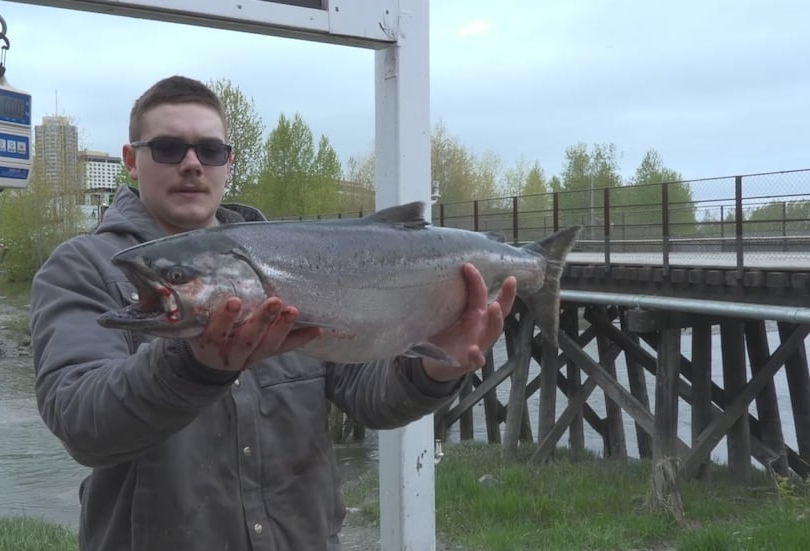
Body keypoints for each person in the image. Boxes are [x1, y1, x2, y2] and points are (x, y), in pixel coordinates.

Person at [30, 75, 517, 551]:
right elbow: (81, 424)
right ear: (130, 161)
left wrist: (435, 368)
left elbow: (369, 400)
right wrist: (193, 366)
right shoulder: (81, 268)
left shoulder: (292, 259)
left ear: (228, 162)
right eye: (168, 148)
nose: (192, 164)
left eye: (210, 150)